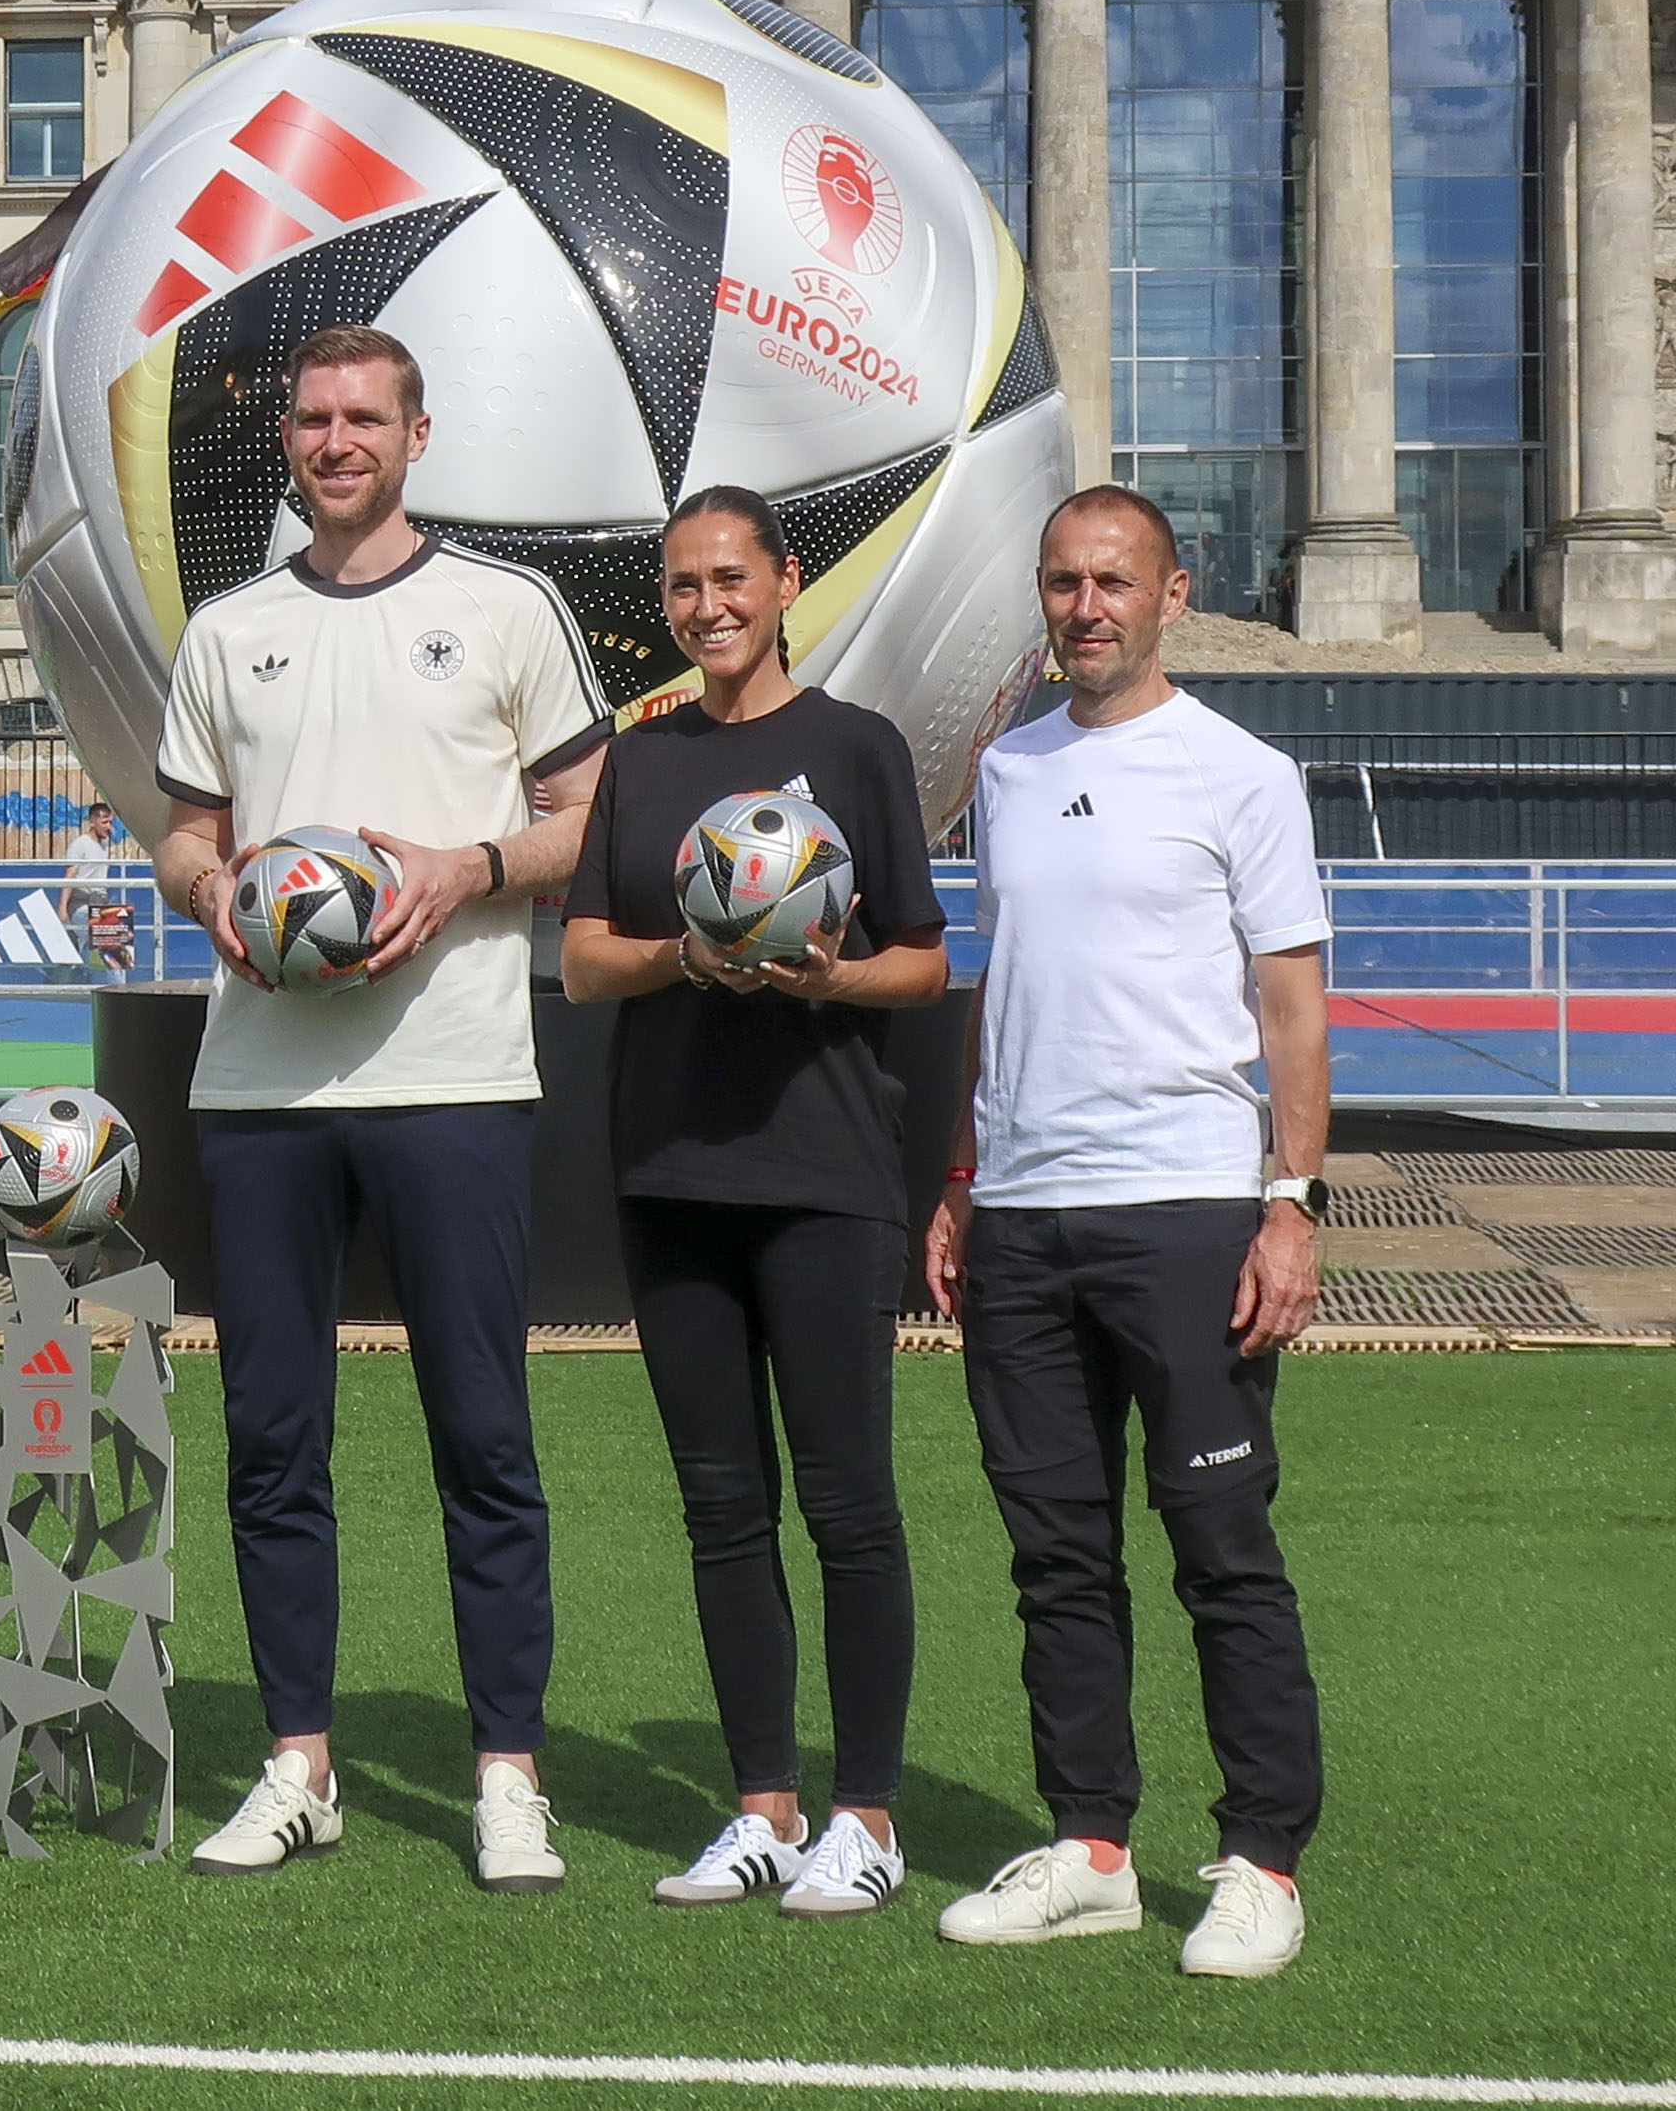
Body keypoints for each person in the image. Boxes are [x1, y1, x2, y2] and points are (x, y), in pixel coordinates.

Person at [152, 325, 610, 1888]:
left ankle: (505, 1774)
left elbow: (586, 818)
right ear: (285, 439)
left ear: (420, 434)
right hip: (263, 1083)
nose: (337, 442)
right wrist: (220, 894)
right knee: (272, 1440)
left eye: (366, 418)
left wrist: (459, 870)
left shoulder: (503, 610)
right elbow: (186, 832)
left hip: (455, 1078)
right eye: (313, 420)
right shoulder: (228, 628)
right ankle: (298, 1765)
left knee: (481, 1434)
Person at [926, 485, 1331, 1981]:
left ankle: (1260, 1864)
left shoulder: (1242, 773)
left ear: (1172, 591)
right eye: (1060, 582)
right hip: (1026, 1219)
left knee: (1221, 1547)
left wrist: (1289, 1206)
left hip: (1186, 1211)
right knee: (1055, 1554)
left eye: (1113, 581)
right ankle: (1092, 1847)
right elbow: (1005, 977)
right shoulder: (1011, 769)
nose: (1083, 606)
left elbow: (1290, 1004)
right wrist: (965, 1177)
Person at [558, 489, 948, 1919]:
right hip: (670, 1175)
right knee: (722, 1509)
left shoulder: (855, 748)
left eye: (730, 577)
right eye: (680, 584)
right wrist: (691, 957)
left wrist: (825, 980)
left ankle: (870, 1817)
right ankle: (763, 1810)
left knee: (849, 1508)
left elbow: (921, 959)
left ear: (786, 582)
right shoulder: (641, 758)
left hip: (824, 1178)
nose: (707, 604)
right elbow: (588, 961)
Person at [62, 799, 131, 980]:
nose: (108, 827)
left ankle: (100, 983)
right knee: (112, 944)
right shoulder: (81, 844)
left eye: (110, 822)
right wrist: (62, 907)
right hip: (82, 904)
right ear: (92, 822)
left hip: (99, 903)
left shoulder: (105, 843)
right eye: (104, 822)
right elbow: (70, 874)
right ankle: (117, 991)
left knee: (113, 946)